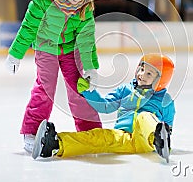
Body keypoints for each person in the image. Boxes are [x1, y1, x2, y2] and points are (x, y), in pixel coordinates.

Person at [5, 0, 102, 153]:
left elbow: (86, 39)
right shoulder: (42, 1)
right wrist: (15, 54)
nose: (78, 2)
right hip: (45, 47)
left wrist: (90, 65)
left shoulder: (84, 7)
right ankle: (31, 131)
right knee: (45, 88)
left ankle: (90, 130)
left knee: (79, 88)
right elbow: (28, 28)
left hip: (69, 49)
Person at [31, 53, 176, 162]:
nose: (141, 75)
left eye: (149, 73)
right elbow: (105, 106)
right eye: (142, 69)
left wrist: (165, 138)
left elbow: (168, 124)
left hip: (146, 140)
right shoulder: (126, 90)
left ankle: (158, 139)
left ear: (161, 80)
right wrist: (89, 92)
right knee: (99, 136)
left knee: (144, 117)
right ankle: (55, 143)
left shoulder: (164, 100)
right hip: (122, 136)